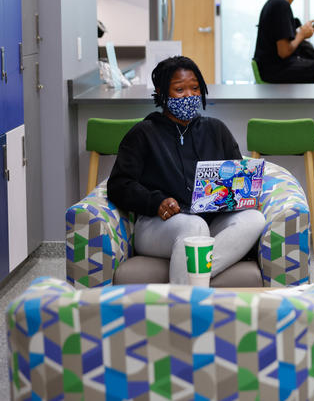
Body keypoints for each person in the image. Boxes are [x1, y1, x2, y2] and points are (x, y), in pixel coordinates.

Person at [107, 56, 266, 284]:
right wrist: (156, 202)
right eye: (179, 89)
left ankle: (189, 281)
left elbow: (236, 178)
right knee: (194, 225)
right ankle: (190, 298)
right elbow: (118, 185)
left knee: (254, 219)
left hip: (212, 222)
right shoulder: (143, 133)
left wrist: (244, 196)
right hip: (158, 225)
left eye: (195, 88)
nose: (189, 95)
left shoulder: (216, 130)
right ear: (162, 93)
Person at [253, 0, 314, 83]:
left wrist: (303, 30)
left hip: (275, 66)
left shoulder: (277, 2)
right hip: (274, 69)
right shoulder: (281, 5)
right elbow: (284, 52)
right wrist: (302, 35)